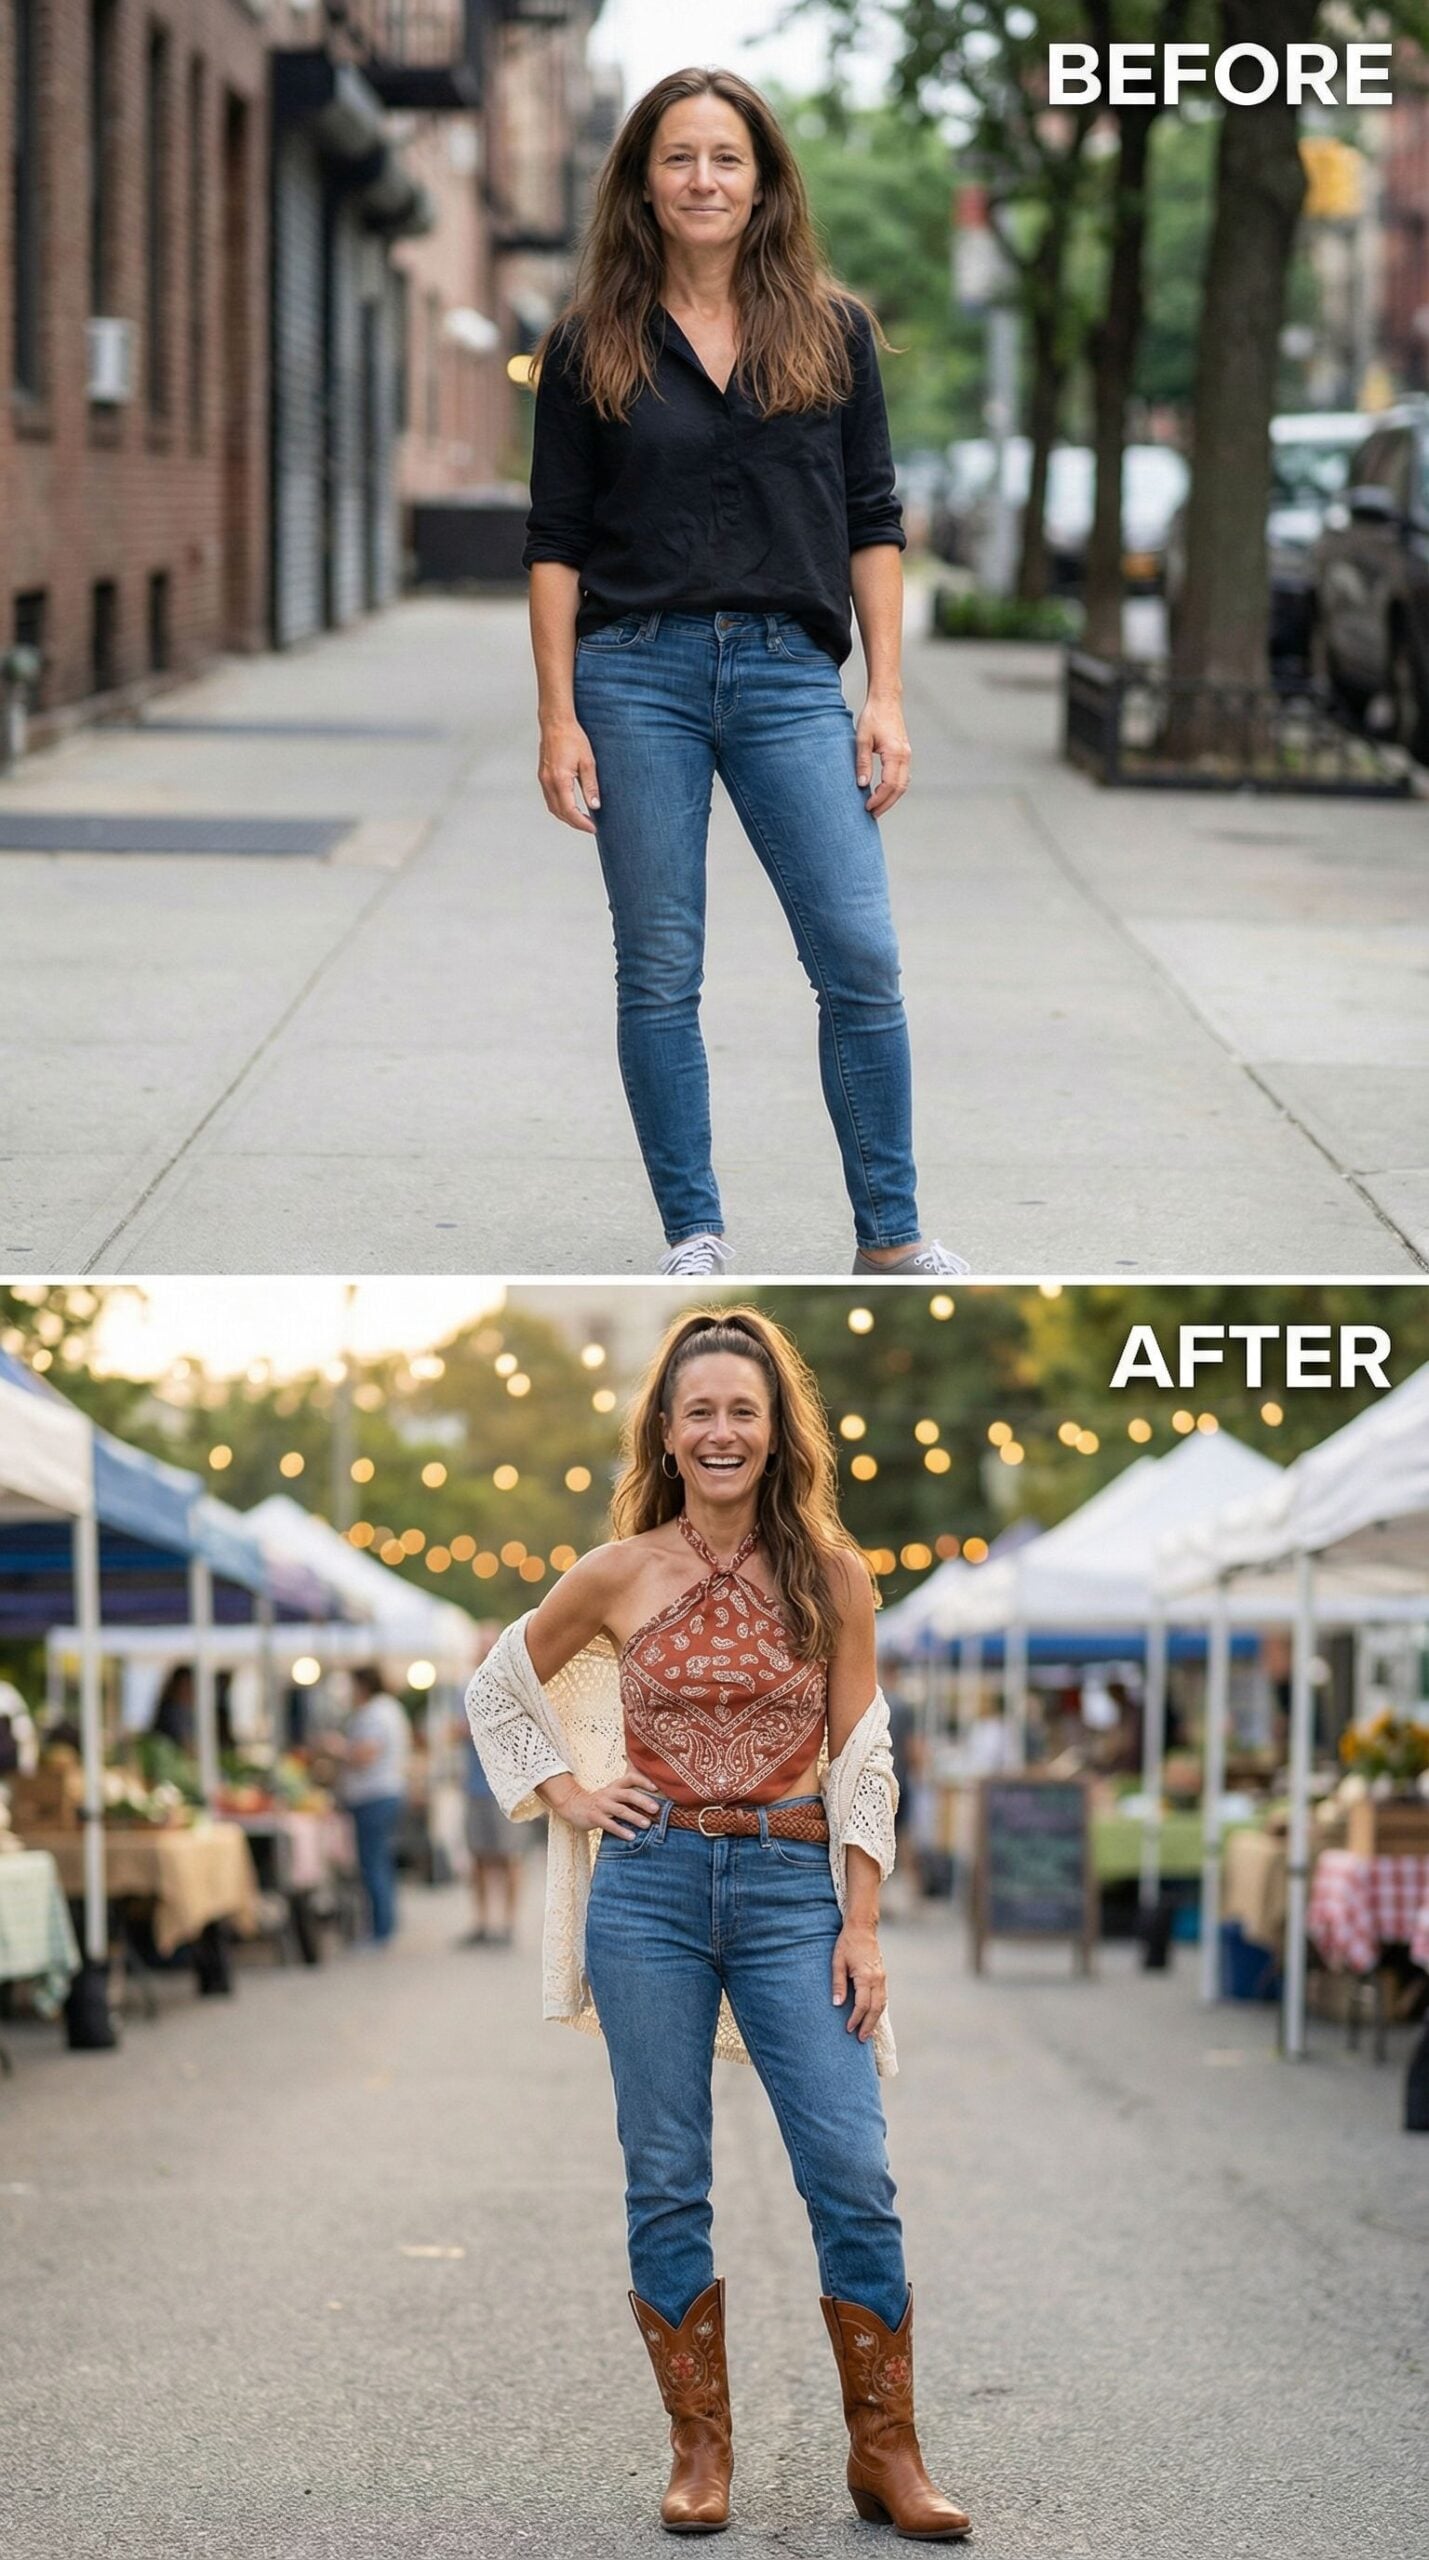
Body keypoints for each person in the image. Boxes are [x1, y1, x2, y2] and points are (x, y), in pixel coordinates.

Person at [466, 1308, 971, 2540]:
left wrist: (862, 1924)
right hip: (649, 1889)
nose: (722, 1430)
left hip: (795, 1891)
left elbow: (862, 1757)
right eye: (699, 1410)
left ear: (777, 1429)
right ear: (667, 1431)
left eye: (744, 1408)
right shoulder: (618, 1571)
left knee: (850, 2165)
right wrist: (568, 1792)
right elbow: (498, 1684)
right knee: (665, 2173)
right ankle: (699, 2447)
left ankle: (886, 2450)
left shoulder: (834, 1575)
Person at [523, 66, 969, 1283]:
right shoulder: (589, 344)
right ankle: (696, 1233)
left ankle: (891, 1236)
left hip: (786, 679)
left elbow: (872, 520)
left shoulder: (832, 332)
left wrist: (884, 696)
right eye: (678, 157)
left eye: (727, 157)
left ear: (765, 182)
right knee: (661, 968)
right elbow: (555, 542)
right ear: (642, 184)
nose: (703, 179)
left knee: (859, 956)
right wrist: (557, 717)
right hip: (634, 678)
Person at [327, 1667, 410, 1947]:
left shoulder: (375, 1713)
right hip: (383, 1793)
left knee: (372, 1863)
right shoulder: (389, 1708)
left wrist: (337, 1748)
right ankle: (384, 1924)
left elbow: (366, 1754)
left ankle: (379, 1930)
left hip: (373, 1796)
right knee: (379, 1861)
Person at [455, 1710, 528, 1947]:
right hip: (475, 1790)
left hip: (507, 1790)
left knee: (511, 1857)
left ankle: (509, 1924)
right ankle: (482, 1923)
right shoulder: (464, 1695)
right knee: (477, 1858)